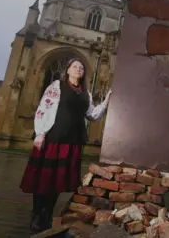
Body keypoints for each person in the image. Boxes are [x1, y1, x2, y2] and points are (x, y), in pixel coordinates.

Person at [19, 58, 112, 232]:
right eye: (75, 67)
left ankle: (47, 213)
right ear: (68, 70)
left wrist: (106, 102)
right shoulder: (56, 86)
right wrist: (40, 132)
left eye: (81, 67)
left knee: (57, 182)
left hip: (72, 142)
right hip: (53, 139)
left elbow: (92, 115)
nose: (79, 69)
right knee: (43, 180)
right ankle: (38, 214)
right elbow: (43, 108)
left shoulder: (86, 93)